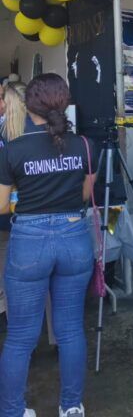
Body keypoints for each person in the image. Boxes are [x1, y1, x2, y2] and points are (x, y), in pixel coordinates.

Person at [0, 73, 96, 417]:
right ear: (64, 102)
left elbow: (0, 205)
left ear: (30, 107)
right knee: (70, 330)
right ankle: (71, 407)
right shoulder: (85, 145)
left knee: (21, 337)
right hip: (74, 237)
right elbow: (85, 195)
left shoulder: (14, 149)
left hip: (29, 242)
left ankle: (12, 411)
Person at [0, 81, 27, 324]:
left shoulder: (9, 140)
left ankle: (9, 317)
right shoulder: (39, 135)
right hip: (31, 217)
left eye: (2, 99)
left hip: (11, 218)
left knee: (7, 273)